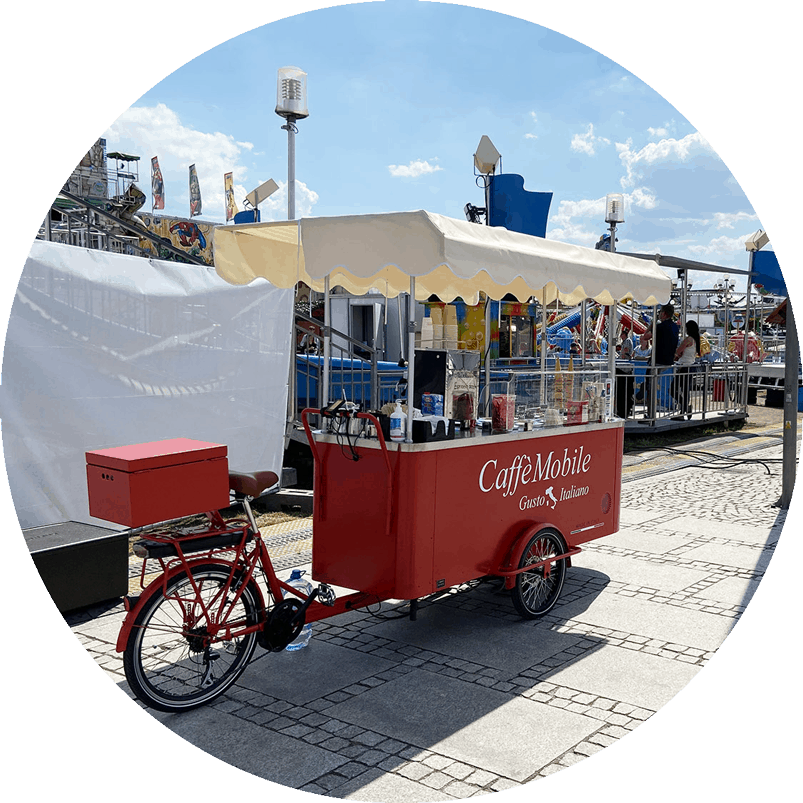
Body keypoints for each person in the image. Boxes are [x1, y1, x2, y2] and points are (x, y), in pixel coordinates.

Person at [636, 303, 679, 415]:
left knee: (650, 385)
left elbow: (645, 337)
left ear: (664, 314)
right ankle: (645, 389)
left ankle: (651, 413)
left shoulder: (659, 327)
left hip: (657, 360)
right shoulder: (675, 327)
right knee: (654, 383)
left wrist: (652, 323)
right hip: (669, 360)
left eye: (660, 312)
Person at [671, 320, 701, 418]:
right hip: (690, 366)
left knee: (672, 389)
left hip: (684, 367)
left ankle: (683, 409)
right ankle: (685, 408)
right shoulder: (696, 340)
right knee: (685, 389)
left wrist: (677, 354)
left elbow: (678, 351)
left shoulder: (688, 339)